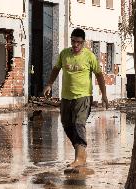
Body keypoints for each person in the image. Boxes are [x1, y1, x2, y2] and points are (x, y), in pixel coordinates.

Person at [43, 28, 109, 168]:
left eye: (78, 42)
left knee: (79, 124)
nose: (75, 45)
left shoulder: (90, 56)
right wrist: (49, 84)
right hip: (66, 97)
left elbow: (99, 75)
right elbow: (56, 69)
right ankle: (81, 152)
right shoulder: (64, 54)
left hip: (83, 96)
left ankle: (79, 157)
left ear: (83, 43)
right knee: (67, 124)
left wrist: (104, 95)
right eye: (73, 41)